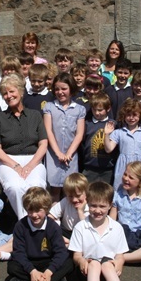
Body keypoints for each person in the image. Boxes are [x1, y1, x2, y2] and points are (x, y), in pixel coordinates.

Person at [69, 181, 133, 281]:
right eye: (93, 206)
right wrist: (82, 261)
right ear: (87, 204)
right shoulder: (81, 227)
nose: (97, 210)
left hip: (108, 276)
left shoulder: (116, 227)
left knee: (106, 264)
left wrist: (119, 262)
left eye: (102, 206)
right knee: (95, 264)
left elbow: (120, 254)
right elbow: (76, 254)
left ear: (110, 205)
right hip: (87, 274)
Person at [0, 74, 48, 219]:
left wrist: (30, 165)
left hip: (33, 159)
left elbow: (43, 143)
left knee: (36, 186)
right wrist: (15, 166)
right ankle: (26, 222)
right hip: (7, 161)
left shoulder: (35, 115)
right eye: (5, 93)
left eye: (11, 91)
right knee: (15, 187)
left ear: (21, 92)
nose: (8, 96)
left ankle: (36, 222)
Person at [8, 186, 73, 281]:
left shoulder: (53, 227)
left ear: (46, 209)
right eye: (30, 210)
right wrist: (32, 271)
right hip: (29, 261)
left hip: (48, 261)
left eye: (38, 210)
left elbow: (60, 252)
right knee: (12, 266)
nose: (34, 215)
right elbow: (18, 252)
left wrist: (49, 271)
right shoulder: (20, 226)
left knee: (69, 263)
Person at [44, 73, 86, 201]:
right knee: (54, 191)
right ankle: (54, 218)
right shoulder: (49, 107)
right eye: (57, 89)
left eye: (64, 89)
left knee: (70, 190)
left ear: (71, 89)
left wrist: (68, 153)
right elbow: (48, 131)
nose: (60, 92)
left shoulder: (79, 109)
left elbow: (79, 134)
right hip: (53, 154)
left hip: (70, 155)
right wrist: (58, 153)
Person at [111, 161, 141, 264]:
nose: (126, 179)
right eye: (125, 174)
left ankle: (123, 257)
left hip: (139, 235)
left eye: (131, 178)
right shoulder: (117, 196)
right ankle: (135, 257)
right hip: (122, 233)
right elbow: (112, 219)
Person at [104, 98, 141, 192]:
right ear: (124, 116)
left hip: (139, 166)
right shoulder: (119, 132)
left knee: (138, 191)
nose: (131, 118)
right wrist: (107, 134)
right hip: (123, 167)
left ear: (140, 116)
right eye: (128, 115)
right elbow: (109, 149)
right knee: (120, 190)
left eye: (135, 115)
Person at [81, 93, 117, 184]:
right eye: (94, 109)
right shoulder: (87, 124)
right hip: (90, 168)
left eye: (100, 110)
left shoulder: (113, 125)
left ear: (108, 109)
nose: (97, 113)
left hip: (107, 169)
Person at [48, 172, 89, 245]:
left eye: (78, 195)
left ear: (86, 193)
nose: (74, 200)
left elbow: (86, 227)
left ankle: (71, 246)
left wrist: (80, 211)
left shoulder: (89, 206)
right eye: (70, 196)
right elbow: (51, 216)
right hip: (66, 232)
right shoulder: (66, 201)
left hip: (82, 233)